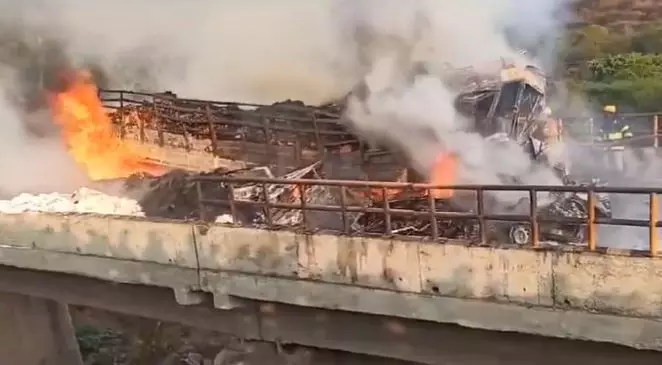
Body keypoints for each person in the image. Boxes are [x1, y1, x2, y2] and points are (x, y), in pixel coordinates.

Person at [598, 105, 632, 172]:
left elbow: (628, 133)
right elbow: (600, 135)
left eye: (606, 113)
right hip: (607, 147)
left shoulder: (620, 122)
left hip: (617, 147)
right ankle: (612, 178)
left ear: (611, 114)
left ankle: (619, 178)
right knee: (609, 166)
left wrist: (624, 140)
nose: (604, 115)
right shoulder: (604, 124)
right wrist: (597, 141)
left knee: (618, 165)